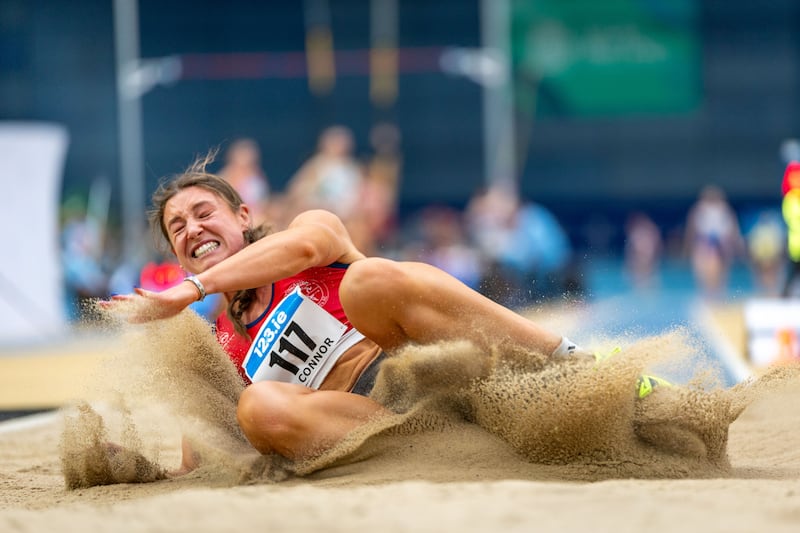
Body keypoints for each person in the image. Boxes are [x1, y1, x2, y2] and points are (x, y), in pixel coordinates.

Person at [107, 154, 665, 470]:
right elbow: (199, 460)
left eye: (203, 213)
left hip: (437, 366)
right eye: (177, 229)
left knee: (369, 278)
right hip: (382, 426)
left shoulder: (308, 231)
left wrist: (191, 288)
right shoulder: (216, 341)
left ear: (243, 214)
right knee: (256, 409)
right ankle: (447, 445)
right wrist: (136, 471)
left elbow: (307, 250)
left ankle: (569, 361)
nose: (193, 230)